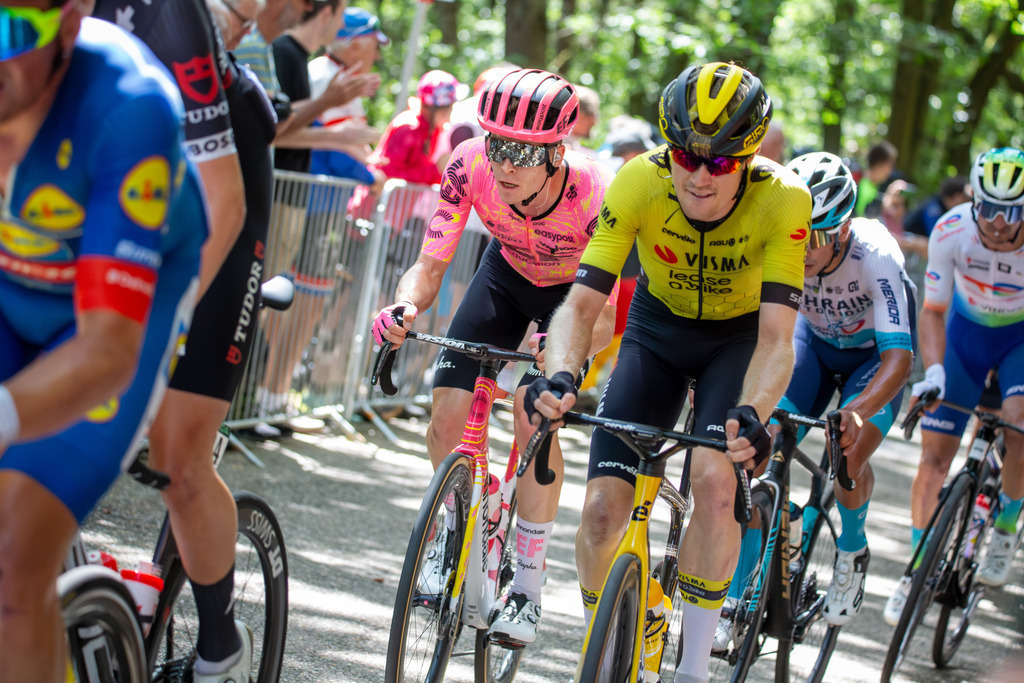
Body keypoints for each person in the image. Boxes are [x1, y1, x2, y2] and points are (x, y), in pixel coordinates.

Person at [525, 61, 812, 682]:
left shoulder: (784, 198)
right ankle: (606, 650)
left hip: (736, 341)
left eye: (721, 162)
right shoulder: (638, 180)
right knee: (602, 513)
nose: (699, 176)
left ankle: (693, 668)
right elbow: (581, 305)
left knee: (713, 483)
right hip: (656, 333)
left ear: (750, 158)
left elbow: (777, 339)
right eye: (685, 156)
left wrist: (754, 413)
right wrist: (562, 374)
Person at [372, 68, 617, 647]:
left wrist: (561, 354)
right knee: (446, 414)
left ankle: (527, 584)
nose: (503, 164)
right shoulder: (469, 163)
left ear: (556, 153)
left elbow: (605, 318)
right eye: (496, 145)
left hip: (572, 297)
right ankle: (452, 532)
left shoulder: (596, 194)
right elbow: (430, 265)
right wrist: (404, 307)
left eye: (521, 153)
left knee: (534, 414)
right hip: (504, 276)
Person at [0, 7, 206, 679]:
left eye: (7, 31)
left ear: (67, 24)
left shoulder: (130, 104)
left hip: (114, 319)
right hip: (10, 284)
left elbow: (109, 352)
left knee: (12, 561)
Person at [90, 0, 280, 678]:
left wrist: (148, 330)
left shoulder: (166, 15)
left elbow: (223, 204)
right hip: (119, 185)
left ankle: (221, 648)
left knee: (177, 455)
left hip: (220, 204)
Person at [714, 152, 915, 645]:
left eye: (818, 237)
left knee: (848, 452)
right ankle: (736, 597)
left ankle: (852, 548)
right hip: (814, 346)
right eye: (799, 234)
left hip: (872, 357)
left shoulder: (876, 253)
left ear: (844, 229)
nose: (804, 249)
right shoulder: (780, 239)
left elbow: (899, 361)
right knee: (760, 447)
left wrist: (857, 412)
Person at [884, 147, 1024, 624]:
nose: (998, 222)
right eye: (989, 208)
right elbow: (933, 311)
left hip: (1018, 343)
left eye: (1011, 212)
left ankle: (1005, 526)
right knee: (933, 459)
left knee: (1017, 427)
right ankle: (916, 569)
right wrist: (936, 373)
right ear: (973, 201)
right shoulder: (952, 230)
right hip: (964, 339)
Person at [307, 5, 387, 187]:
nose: (377, 56)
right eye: (376, 47)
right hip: (317, 190)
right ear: (355, 46)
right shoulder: (327, 77)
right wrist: (370, 177)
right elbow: (335, 146)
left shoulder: (337, 75)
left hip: (325, 190)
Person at [903, 175, 970, 238]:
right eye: (965, 199)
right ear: (957, 196)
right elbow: (936, 236)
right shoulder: (934, 209)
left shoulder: (938, 203)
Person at [855, 140, 900, 219]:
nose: (891, 170)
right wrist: (884, 203)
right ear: (881, 164)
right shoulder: (863, 185)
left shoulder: (871, 185)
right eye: (890, 165)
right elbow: (860, 217)